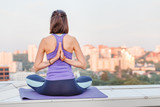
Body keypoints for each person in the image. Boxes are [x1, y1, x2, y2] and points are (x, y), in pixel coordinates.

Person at [26, 10, 92, 96]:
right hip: (70, 87)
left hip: (50, 87)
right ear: (66, 22)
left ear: (52, 22)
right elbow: (83, 65)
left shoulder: (45, 40)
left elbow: (36, 67)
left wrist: (53, 59)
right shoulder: (72, 39)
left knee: (29, 79)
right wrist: (65, 59)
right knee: (87, 79)